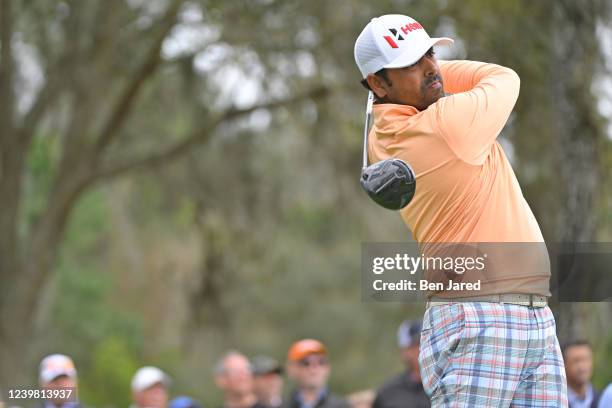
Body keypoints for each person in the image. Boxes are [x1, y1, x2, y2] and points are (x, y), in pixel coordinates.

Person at [354, 14, 567, 406]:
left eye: (429, 54)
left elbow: (430, 82)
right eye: (410, 65)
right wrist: (439, 74)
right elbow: (505, 78)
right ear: (378, 83)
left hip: (528, 311)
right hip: (482, 316)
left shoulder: (385, 134)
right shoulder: (446, 125)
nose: (429, 68)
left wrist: (424, 72)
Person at [372, 320, 429, 408]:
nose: (423, 349)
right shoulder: (388, 393)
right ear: (404, 351)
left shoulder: (449, 385)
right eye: (416, 345)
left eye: (426, 343)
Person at [282, 339, 349, 408]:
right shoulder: (282, 405)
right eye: (306, 363)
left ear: (328, 368)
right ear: (292, 369)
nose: (314, 369)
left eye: (321, 362)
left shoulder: (342, 405)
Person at [563, 341, 600, 408]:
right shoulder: (557, 401)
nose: (582, 367)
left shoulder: (603, 399)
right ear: (564, 365)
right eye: (576, 361)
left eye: (586, 360)